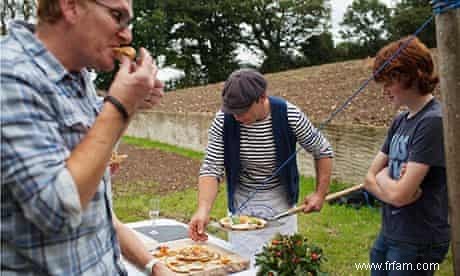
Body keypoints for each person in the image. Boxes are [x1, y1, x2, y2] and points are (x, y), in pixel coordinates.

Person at [1, 0, 174, 275]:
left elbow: (94, 205)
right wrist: (121, 106)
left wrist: (131, 106)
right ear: (70, 6)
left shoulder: (77, 77)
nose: (127, 35)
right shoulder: (10, 76)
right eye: (117, 16)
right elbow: (57, 210)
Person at [188, 69, 334, 262]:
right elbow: (211, 166)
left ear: (262, 97)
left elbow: (322, 150)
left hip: (281, 210)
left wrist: (320, 193)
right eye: (233, 112)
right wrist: (203, 209)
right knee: (244, 266)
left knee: (280, 266)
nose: (237, 117)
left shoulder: (289, 115)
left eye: (243, 111)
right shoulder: (224, 119)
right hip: (242, 211)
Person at [363, 36, 450, 276]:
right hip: (391, 232)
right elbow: (369, 178)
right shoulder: (401, 120)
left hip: (419, 239)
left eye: (389, 82)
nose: (385, 91)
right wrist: (388, 183)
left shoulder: (433, 122)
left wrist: (384, 180)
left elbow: (400, 195)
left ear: (410, 76)